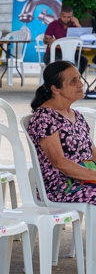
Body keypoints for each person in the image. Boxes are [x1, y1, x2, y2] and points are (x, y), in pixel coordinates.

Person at [26, 60, 96, 205]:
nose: (81, 84)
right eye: (73, 81)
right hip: (60, 186)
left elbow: (92, 152)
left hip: (83, 179)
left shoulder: (76, 115)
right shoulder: (45, 117)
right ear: (55, 89)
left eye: (79, 78)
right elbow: (60, 163)